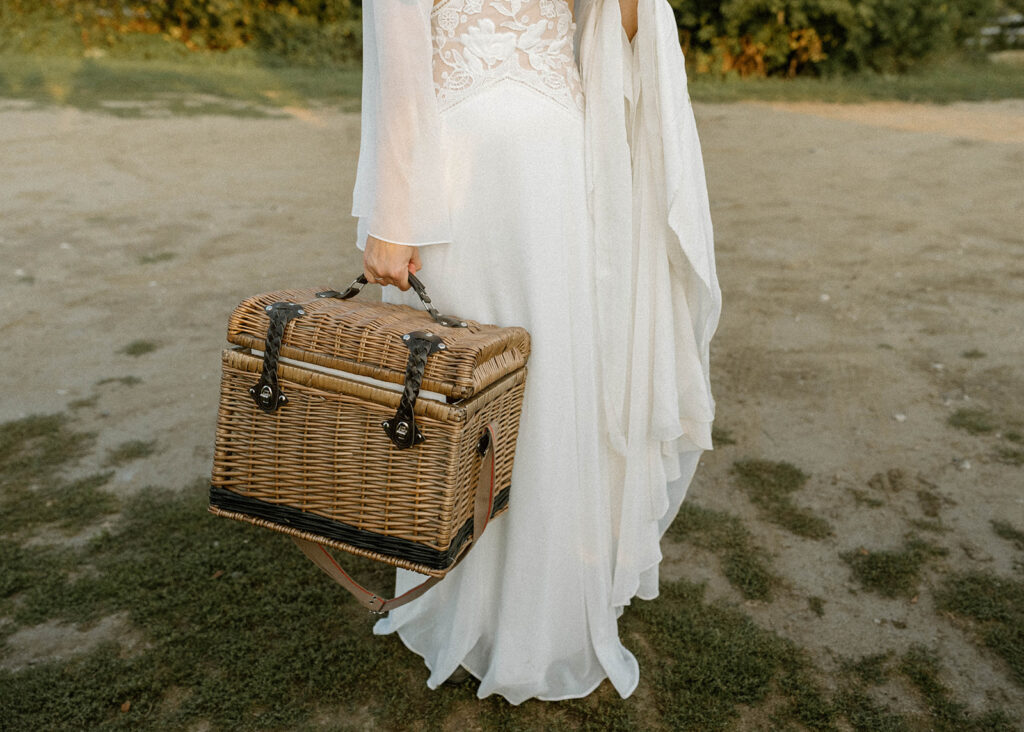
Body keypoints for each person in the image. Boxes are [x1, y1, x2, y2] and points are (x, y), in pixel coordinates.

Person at [352, 0, 721, 704]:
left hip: (555, 165)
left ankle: (543, 614)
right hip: (464, 175)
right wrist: (395, 216)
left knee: (550, 381)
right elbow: (399, 50)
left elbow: (615, 23)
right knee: (458, 390)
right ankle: (465, 593)